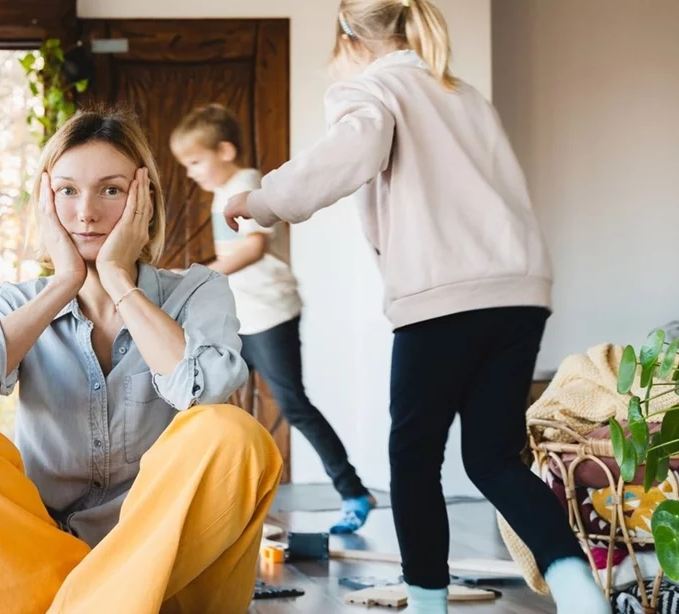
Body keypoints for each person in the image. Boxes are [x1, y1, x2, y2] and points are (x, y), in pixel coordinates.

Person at [223, 1, 608, 613]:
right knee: (493, 458)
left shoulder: (371, 89)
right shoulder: (463, 94)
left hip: (444, 297)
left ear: (349, 37)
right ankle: (580, 591)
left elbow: (344, 157)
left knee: (413, 455)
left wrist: (263, 198)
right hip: (519, 290)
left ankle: (427, 604)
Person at [0, 109, 283, 614]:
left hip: (167, 565)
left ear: (145, 201)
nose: (87, 213)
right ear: (45, 201)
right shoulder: (18, 303)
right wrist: (62, 285)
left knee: (234, 433)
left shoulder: (200, 290)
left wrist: (120, 281)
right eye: (67, 191)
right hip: (41, 562)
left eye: (111, 190)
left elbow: (202, 393)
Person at [171, 104, 376, 534]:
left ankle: (353, 490)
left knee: (293, 405)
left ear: (224, 151)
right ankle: (216, 499)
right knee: (207, 399)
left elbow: (253, 248)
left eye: (195, 162)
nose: (190, 173)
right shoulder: (221, 192)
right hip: (241, 318)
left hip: (269, 314)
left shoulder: (245, 184)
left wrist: (193, 278)